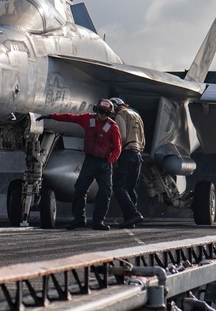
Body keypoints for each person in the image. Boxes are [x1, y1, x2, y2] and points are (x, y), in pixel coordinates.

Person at [36, 99, 121, 231]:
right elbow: (70, 118)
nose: (102, 115)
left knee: (105, 192)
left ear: (109, 114)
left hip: (104, 164)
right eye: (100, 111)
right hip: (89, 162)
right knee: (80, 189)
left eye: (106, 113)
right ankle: (79, 219)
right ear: (96, 110)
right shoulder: (88, 119)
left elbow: (117, 148)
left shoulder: (112, 127)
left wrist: (109, 161)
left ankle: (98, 221)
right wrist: (51, 116)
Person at [111, 97, 146, 228]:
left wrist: (114, 154)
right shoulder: (136, 115)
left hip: (126, 153)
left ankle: (132, 214)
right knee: (130, 187)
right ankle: (130, 219)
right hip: (137, 154)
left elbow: (122, 137)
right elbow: (143, 138)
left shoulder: (120, 115)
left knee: (119, 186)